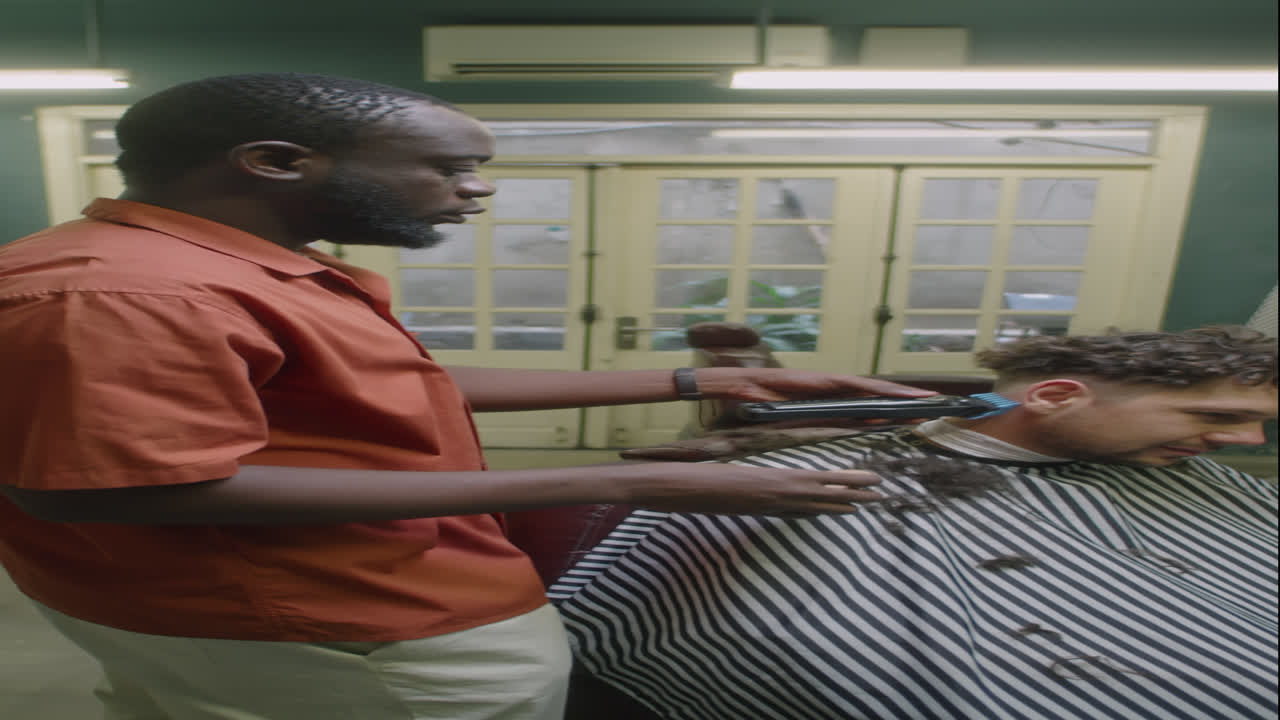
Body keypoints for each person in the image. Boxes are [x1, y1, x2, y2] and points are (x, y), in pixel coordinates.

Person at [0, 73, 934, 720]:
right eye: (446, 167)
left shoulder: (234, 270)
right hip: (330, 625)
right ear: (276, 161)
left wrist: (706, 379)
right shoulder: (124, 292)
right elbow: (110, 489)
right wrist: (610, 481)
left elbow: (380, 391)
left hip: (248, 618)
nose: (474, 189)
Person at [552, 326, 1279, 720]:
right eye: (1220, 418)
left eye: (1260, 427)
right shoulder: (796, 486)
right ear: (1055, 395)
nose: (1249, 445)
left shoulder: (1196, 480)